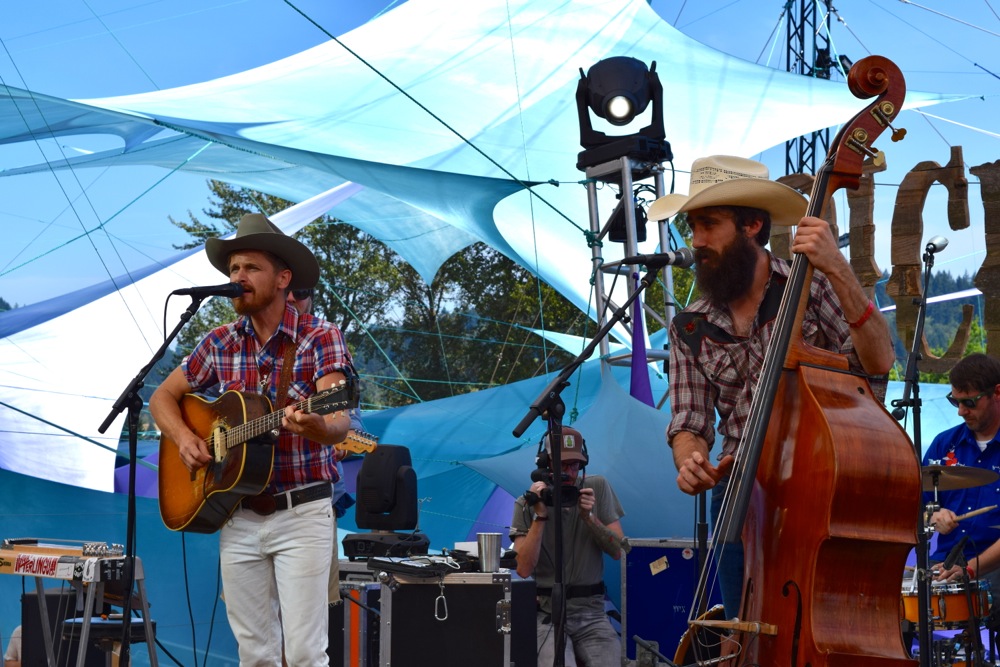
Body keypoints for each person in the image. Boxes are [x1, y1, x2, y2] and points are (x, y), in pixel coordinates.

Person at [649, 155, 896, 618]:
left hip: (823, 481)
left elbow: (880, 361)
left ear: (752, 226)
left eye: (709, 225)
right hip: (740, 493)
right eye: (692, 227)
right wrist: (690, 461)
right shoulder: (689, 325)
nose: (696, 241)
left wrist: (839, 268)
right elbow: (689, 421)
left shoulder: (812, 284)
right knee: (744, 624)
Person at [150, 213, 355, 666]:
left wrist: (318, 426)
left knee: (304, 653)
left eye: (251, 268)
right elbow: (161, 397)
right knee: (255, 654)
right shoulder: (219, 342)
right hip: (238, 514)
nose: (237, 277)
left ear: (283, 279)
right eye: (233, 269)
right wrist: (183, 437)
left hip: (301, 512)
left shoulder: (320, 337)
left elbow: (338, 418)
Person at [509, 426, 625, 667]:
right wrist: (540, 516)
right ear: (545, 464)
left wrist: (589, 517)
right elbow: (523, 569)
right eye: (562, 465)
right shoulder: (526, 503)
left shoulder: (596, 487)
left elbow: (619, 551)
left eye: (575, 465)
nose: (569, 472)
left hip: (591, 612)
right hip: (547, 613)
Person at [922, 353, 1000, 594]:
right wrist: (932, 517)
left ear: (997, 393)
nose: (961, 411)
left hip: (994, 566)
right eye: (955, 402)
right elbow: (914, 509)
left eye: (970, 402)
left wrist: (971, 569)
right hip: (946, 561)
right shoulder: (944, 444)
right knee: (901, 602)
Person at [286, 286, 358, 519]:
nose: (291, 297)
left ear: (311, 299)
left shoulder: (328, 344)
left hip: (315, 502)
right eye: (284, 291)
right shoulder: (233, 345)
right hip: (243, 500)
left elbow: (352, 429)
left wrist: (336, 441)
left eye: (300, 291)